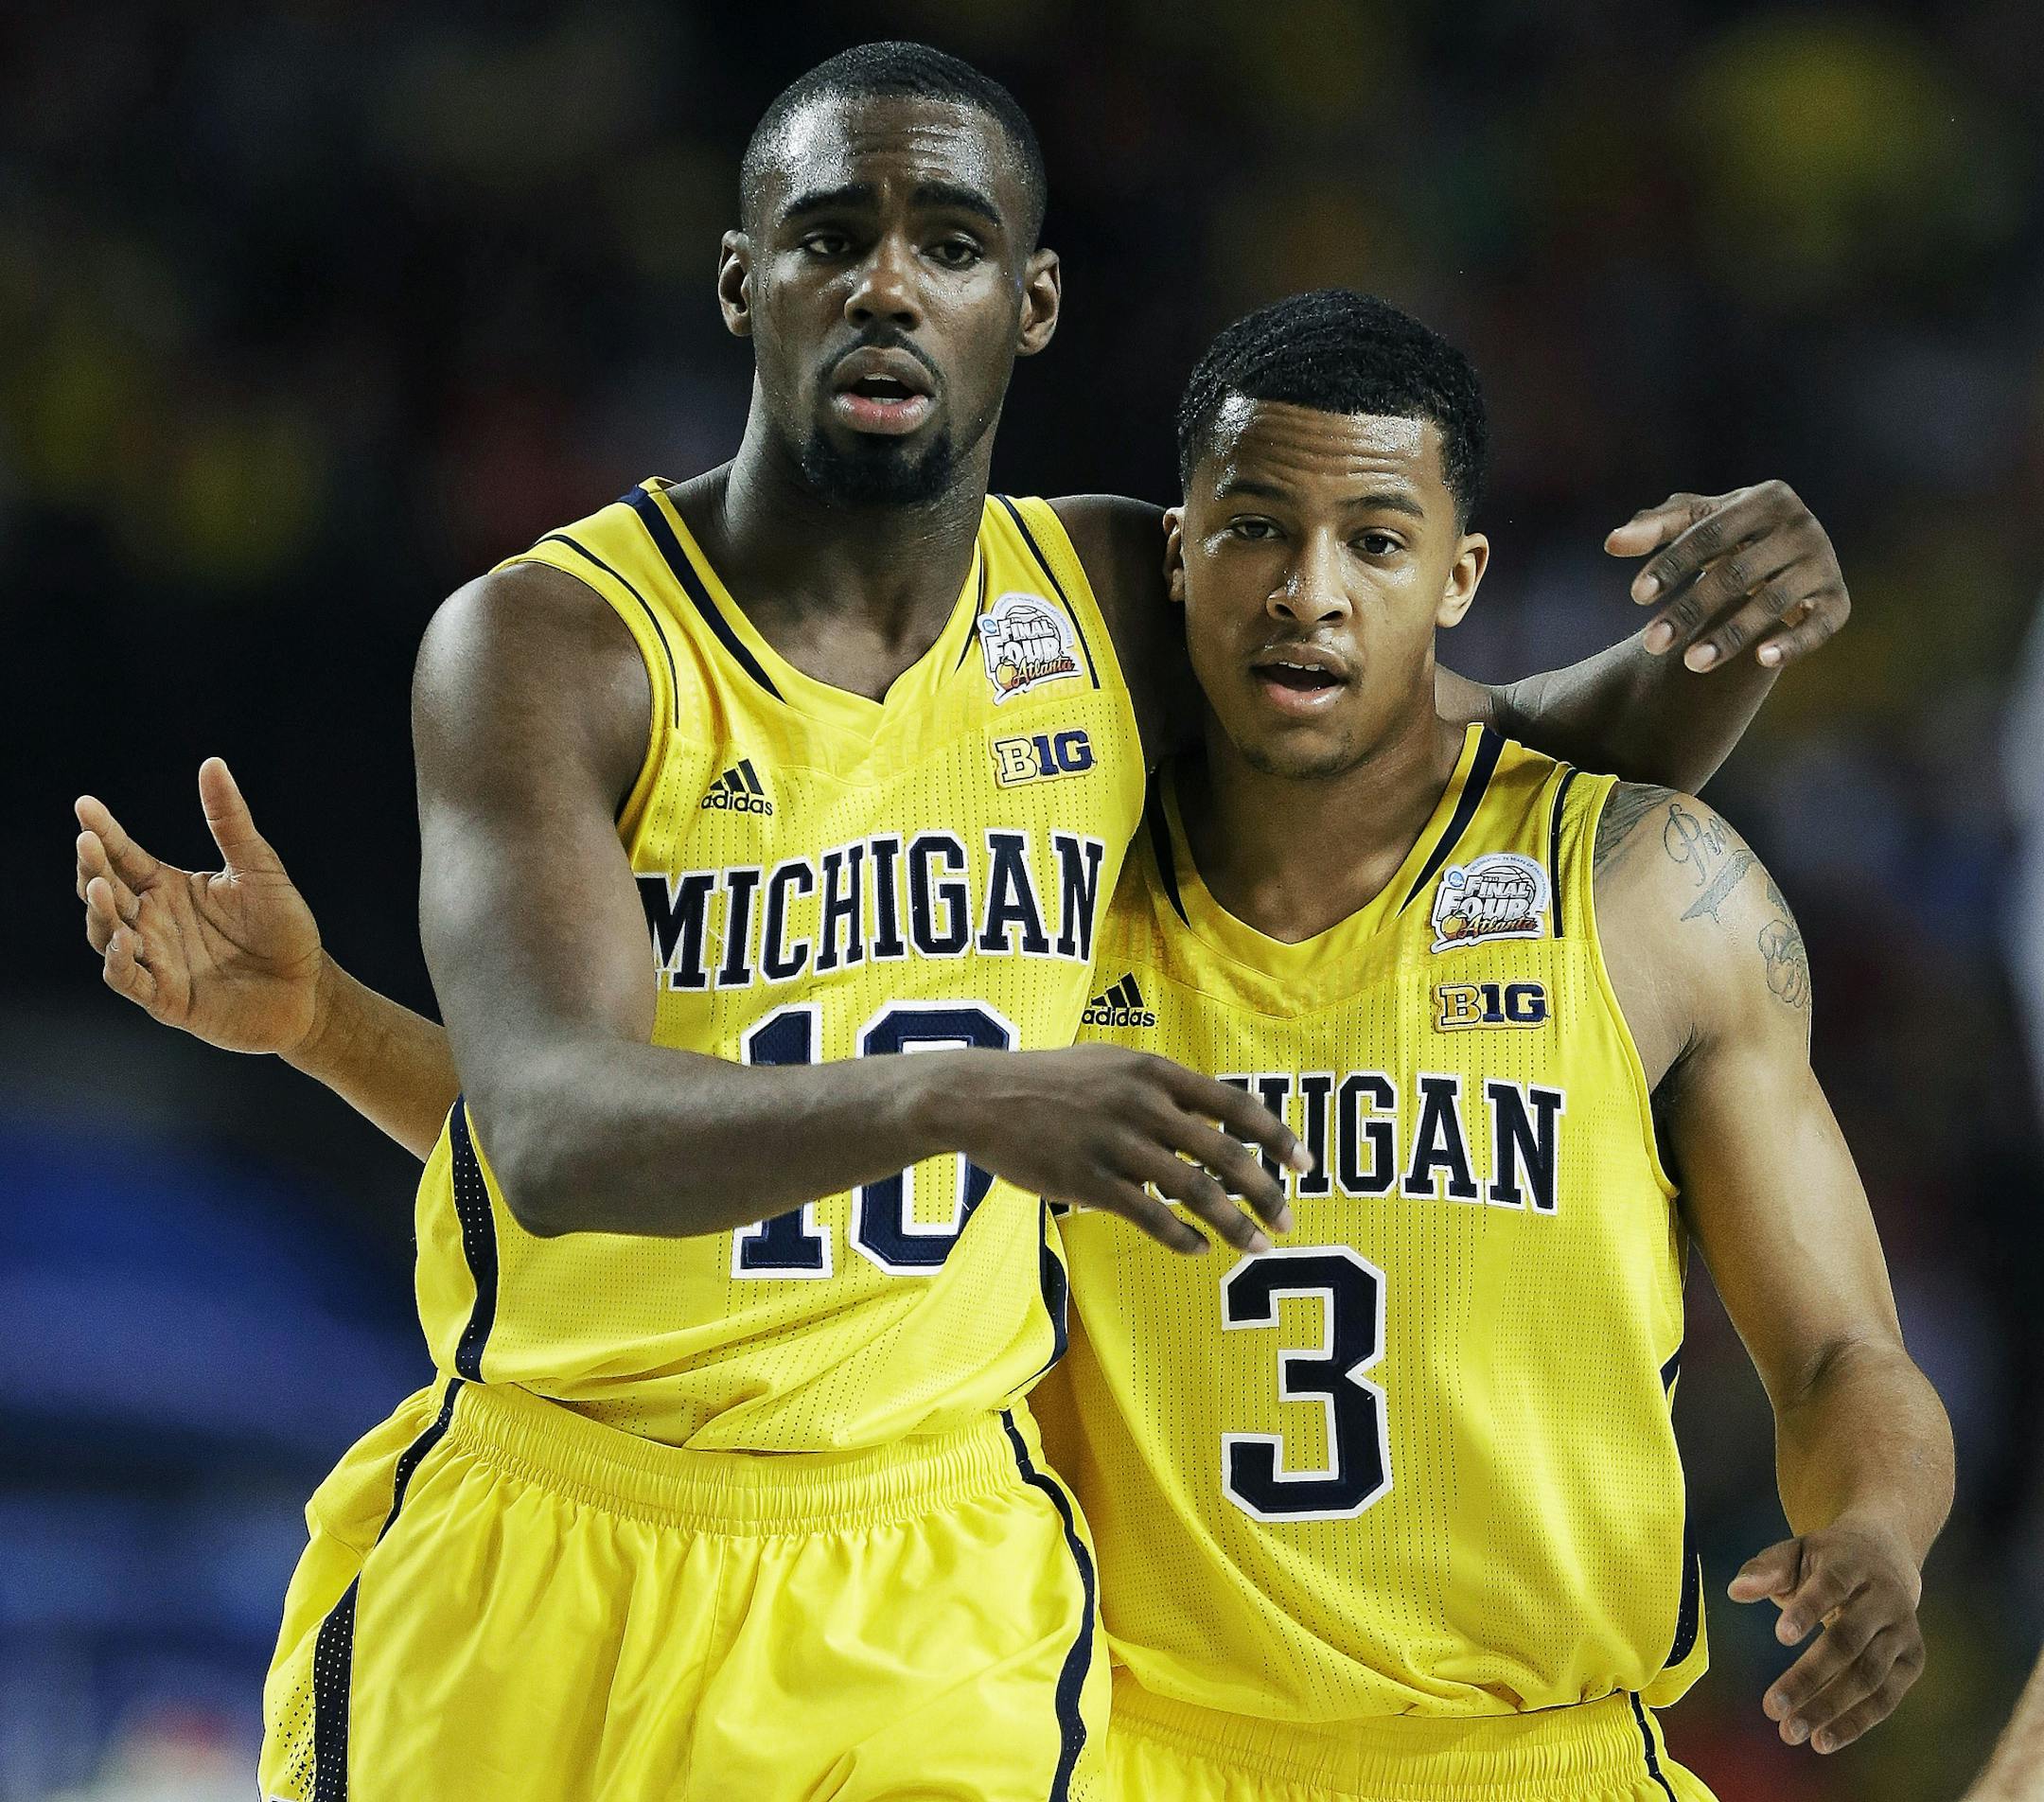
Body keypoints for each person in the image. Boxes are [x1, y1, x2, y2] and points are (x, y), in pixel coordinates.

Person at [72, 44, 1857, 1802]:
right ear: (740, 283)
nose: (885, 284)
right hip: (560, 1524)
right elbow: (550, 1135)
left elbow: (1466, 748)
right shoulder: (553, 646)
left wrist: (1720, 640)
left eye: (950, 243)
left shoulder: (1105, 598)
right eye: (831, 234)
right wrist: (957, 1095)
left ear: (1035, 300)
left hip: (936, 1584)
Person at [1029, 289, 1951, 1800]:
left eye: (1376, 544)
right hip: (1135, 1755)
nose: (1308, 594)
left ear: (1458, 577)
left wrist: (1874, 1537)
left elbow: (1842, 1352)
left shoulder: (1651, 886)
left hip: (1543, 1761)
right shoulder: (1044, 897)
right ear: (1179, 546)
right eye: (1258, 528)